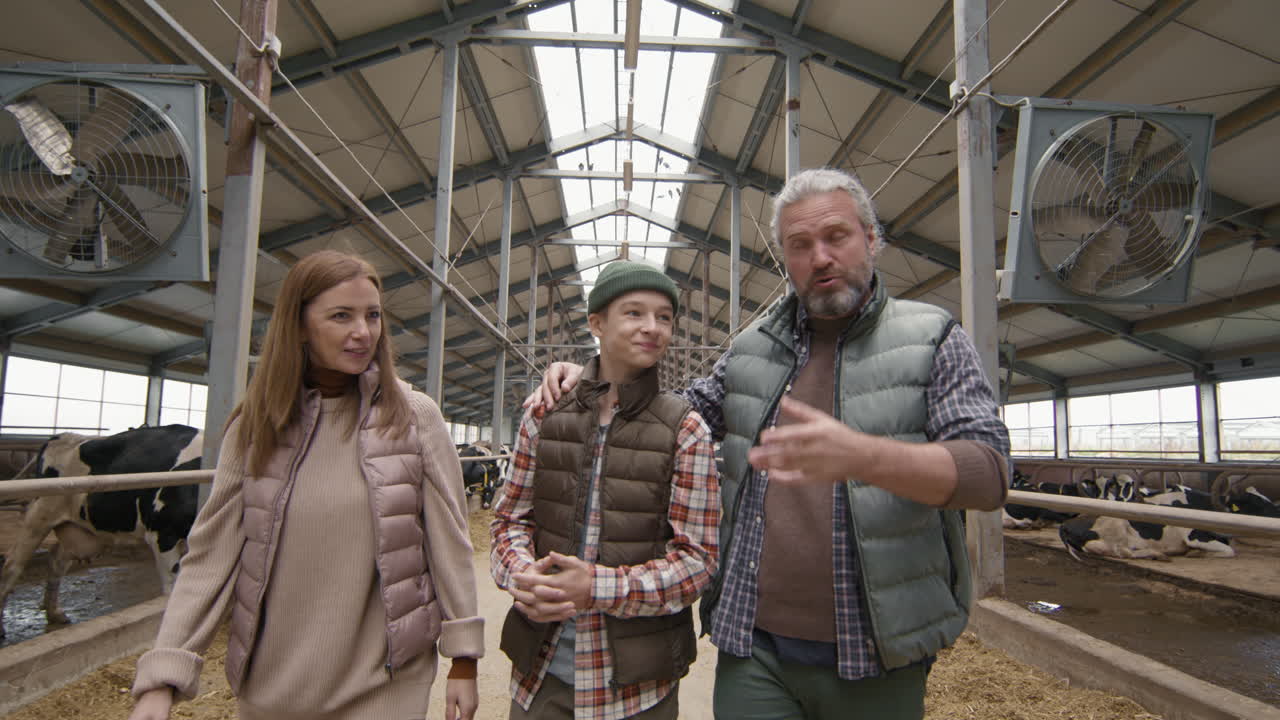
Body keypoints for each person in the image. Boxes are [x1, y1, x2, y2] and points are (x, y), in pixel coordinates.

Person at [530, 168, 1011, 720]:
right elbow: (669, 422)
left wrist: (864, 456)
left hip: (877, 652)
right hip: (753, 644)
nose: (820, 257)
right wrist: (594, 379)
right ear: (786, 259)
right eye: (800, 245)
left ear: (872, 240)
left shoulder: (933, 338)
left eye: (837, 236)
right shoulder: (752, 350)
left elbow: (989, 474)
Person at [128, 250, 483, 720]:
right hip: (272, 686)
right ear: (298, 325)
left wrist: (463, 657)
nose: (363, 332)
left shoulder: (413, 417)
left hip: (385, 683)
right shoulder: (256, 426)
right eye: (341, 316)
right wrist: (163, 679)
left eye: (372, 315)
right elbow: (210, 556)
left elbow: (450, 541)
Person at [491, 260, 720, 720]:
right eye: (634, 313)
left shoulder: (685, 428)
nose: (652, 327)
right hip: (542, 675)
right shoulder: (545, 415)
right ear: (596, 322)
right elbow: (508, 519)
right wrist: (521, 575)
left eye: (664, 317)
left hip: (636, 689)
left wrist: (597, 586)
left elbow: (698, 561)